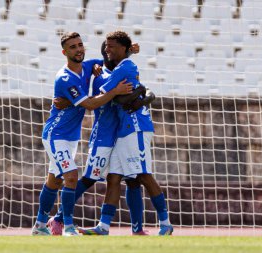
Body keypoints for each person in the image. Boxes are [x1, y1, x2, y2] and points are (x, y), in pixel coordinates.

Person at [47, 41, 156, 236]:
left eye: (114, 49)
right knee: (90, 178)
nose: (111, 53)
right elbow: (114, 98)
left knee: (129, 180)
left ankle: (127, 228)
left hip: (122, 134)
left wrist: (144, 95)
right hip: (104, 136)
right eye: (108, 50)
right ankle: (58, 218)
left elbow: (141, 88)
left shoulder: (120, 71)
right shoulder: (100, 77)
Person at [32, 32, 132, 236]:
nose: (78, 50)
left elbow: (109, 58)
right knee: (71, 175)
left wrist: (131, 50)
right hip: (55, 135)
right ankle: (67, 226)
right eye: (72, 47)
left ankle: (40, 226)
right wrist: (115, 91)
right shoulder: (65, 77)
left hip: (70, 137)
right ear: (64, 52)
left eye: (80, 45)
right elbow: (90, 104)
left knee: (54, 181)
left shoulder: (89, 65)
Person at [78, 30, 173, 236]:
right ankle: (103, 227)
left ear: (123, 48)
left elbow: (106, 91)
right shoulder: (124, 65)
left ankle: (165, 223)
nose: (107, 49)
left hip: (136, 127)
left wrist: (99, 74)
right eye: (106, 46)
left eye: (111, 46)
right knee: (114, 178)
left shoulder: (125, 67)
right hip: (124, 129)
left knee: (143, 175)